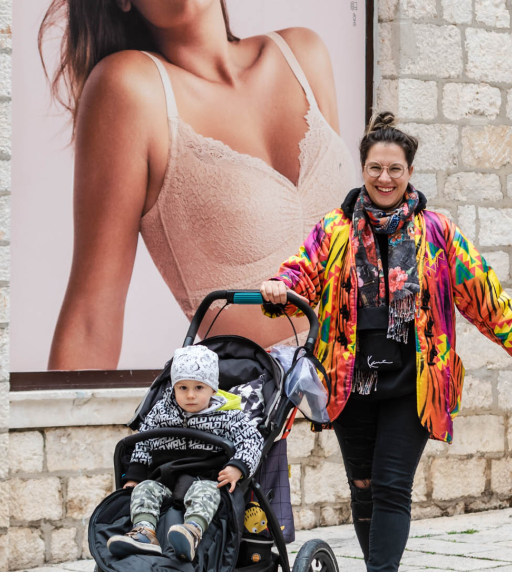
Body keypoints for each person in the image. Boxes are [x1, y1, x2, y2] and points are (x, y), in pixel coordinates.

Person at [261, 112, 512, 572]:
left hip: (414, 382)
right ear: (363, 169)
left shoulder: (438, 232)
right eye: (375, 168)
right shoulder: (334, 229)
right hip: (349, 383)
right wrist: (278, 285)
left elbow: (486, 298)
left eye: (395, 169)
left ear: (410, 171)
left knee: (390, 485)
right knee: (362, 489)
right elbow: (301, 271)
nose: (385, 178)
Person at [41, 0, 354, 369]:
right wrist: (63, 426)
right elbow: (92, 316)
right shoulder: (130, 89)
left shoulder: (303, 54)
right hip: (270, 413)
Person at [108, 345, 264, 561]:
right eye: (182, 388)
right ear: (174, 388)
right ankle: (144, 532)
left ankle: (191, 531)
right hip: (165, 479)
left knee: (206, 492)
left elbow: (252, 440)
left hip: (206, 477)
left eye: (199, 387)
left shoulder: (230, 416)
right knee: (144, 489)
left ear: (213, 389)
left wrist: (237, 466)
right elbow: (143, 441)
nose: (190, 395)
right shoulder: (161, 412)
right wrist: (134, 477)